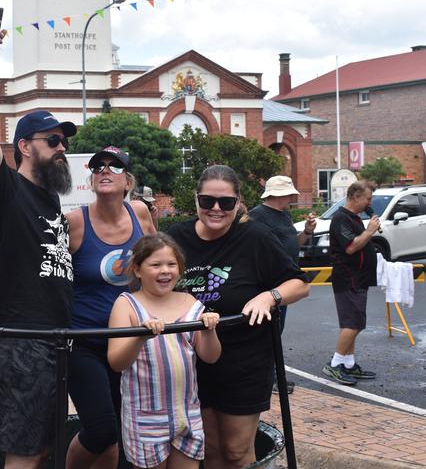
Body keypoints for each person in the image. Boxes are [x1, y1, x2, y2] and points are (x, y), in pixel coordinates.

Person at [0, 15, 76, 469]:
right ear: (25, 146)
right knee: (23, 453)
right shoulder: (7, 190)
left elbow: (18, 273)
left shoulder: (51, 201)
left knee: (44, 447)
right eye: (53, 140)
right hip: (22, 341)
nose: (62, 147)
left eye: (63, 141)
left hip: (56, 340)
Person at [167, 164, 309, 468]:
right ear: (196, 200)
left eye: (226, 202)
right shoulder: (176, 237)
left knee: (236, 450)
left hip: (244, 360)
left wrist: (268, 296)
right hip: (192, 362)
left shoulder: (254, 237)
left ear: (238, 201)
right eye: (207, 201)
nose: (216, 209)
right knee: (211, 449)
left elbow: (298, 284)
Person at [65, 146, 155, 469]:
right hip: (84, 342)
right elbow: (42, 273)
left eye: (114, 167)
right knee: (100, 429)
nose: (105, 170)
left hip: (127, 342)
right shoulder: (74, 222)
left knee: (118, 430)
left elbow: (159, 264)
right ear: (91, 180)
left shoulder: (140, 214)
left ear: (127, 181)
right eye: (98, 167)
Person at [107, 233, 222, 469]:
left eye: (172, 264)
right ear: (138, 270)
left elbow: (210, 356)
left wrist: (209, 329)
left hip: (187, 414)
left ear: (180, 270)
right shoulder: (127, 304)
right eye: (155, 265)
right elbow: (116, 362)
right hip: (146, 417)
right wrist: (139, 337)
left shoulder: (191, 303)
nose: (165, 271)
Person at [249, 176, 316, 393]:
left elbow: (293, 244)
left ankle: (272, 378)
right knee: (268, 333)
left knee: (276, 331)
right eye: (290, 193)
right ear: (279, 194)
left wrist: (306, 231)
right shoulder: (257, 216)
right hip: (268, 284)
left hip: (284, 282)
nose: (293, 197)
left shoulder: (284, 215)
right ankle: (267, 379)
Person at [321, 180, 380, 386]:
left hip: (359, 277)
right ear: (355, 197)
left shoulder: (353, 218)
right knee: (353, 323)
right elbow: (351, 247)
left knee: (354, 322)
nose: (369, 202)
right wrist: (370, 230)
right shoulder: (340, 218)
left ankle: (348, 363)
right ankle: (335, 363)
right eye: (368, 198)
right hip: (348, 277)